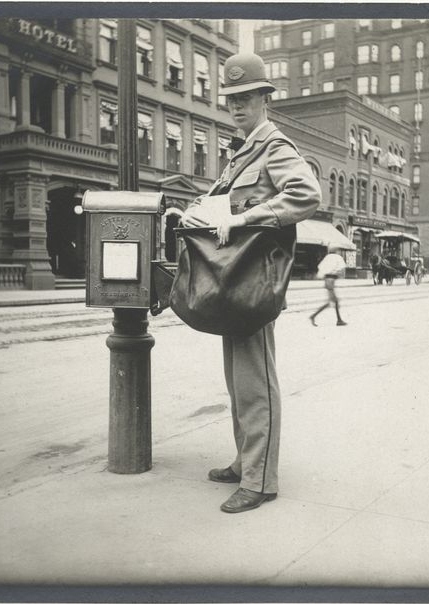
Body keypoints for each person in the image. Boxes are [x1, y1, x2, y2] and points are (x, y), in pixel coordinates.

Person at [181, 53, 321, 513]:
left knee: (256, 380)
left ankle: (261, 481)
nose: (237, 106)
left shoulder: (275, 146)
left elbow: (305, 194)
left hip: (254, 279)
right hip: (233, 278)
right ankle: (245, 462)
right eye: (231, 99)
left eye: (246, 97)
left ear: (264, 98)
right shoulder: (243, 151)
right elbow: (220, 201)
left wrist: (246, 218)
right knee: (239, 380)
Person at [309, 245, 347, 327]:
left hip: (327, 280)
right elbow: (342, 270)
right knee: (332, 302)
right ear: (336, 250)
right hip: (331, 281)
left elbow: (320, 270)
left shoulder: (327, 258)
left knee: (334, 301)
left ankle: (339, 320)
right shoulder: (337, 257)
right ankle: (313, 316)